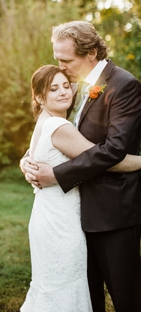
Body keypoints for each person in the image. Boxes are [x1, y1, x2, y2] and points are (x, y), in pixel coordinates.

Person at [22, 21, 141, 310]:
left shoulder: (124, 85)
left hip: (114, 214)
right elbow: (56, 134)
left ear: (90, 53)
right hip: (77, 215)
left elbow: (112, 150)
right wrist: (28, 160)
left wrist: (57, 174)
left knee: (127, 298)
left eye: (65, 60)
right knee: (86, 299)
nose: (60, 67)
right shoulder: (75, 88)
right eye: (57, 59)